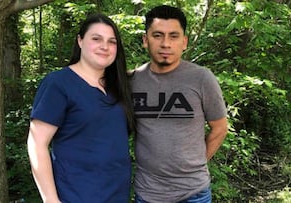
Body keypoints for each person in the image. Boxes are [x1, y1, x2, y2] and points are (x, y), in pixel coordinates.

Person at [27, 13, 135, 203]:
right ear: (80, 40)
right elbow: (37, 144)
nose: (105, 46)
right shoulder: (59, 84)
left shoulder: (118, 87)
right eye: (96, 39)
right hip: (75, 195)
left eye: (112, 42)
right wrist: (50, 199)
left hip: (117, 194)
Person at [130, 5, 228, 203]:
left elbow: (219, 128)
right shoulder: (131, 81)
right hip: (148, 193)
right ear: (145, 40)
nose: (166, 43)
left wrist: (195, 165)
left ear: (184, 42)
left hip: (193, 193)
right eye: (157, 35)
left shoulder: (201, 78)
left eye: (173, 36)